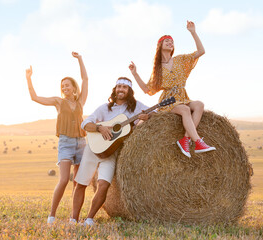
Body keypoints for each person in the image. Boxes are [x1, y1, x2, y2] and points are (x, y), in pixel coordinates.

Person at [129, 20, 216, 158]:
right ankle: (198, 141)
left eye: (172, 41)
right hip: (168, 101)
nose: (170, 43)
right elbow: (147, 89)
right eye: (167, 41)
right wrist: (135, 74)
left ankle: (185, 139)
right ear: (160, 46)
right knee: (185, 109)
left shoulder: (180, 60)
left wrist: (193, 32)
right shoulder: (157, 70)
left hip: (183, 97)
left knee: (199, 105)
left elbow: (201, 51)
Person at [71, 77, 150, 226]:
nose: (121, 89)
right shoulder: (104, 108)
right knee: (81, 183)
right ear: (115, 89)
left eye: (124, 87)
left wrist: (148, 117)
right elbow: (85, 124)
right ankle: (73, 219)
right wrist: (100, 128)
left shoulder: (136, 107)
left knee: (104, 185)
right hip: (93, 149)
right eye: (119, 86)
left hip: (111, 153)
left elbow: (156, 111)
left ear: (129, 91)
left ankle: (89, 219)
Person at [26, 52, 88, 224]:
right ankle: (51, 216)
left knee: (79, 182)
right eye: (62, 86)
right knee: (63, 180)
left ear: (74, 88)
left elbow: (86, 80)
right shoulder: (58, 102)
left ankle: (74, 218)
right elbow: (34, 97)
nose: (64, 88)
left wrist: (80, 60)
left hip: (82, 143)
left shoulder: (81, 101)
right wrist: (29, 78)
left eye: (67, 85)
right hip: (66, 144)